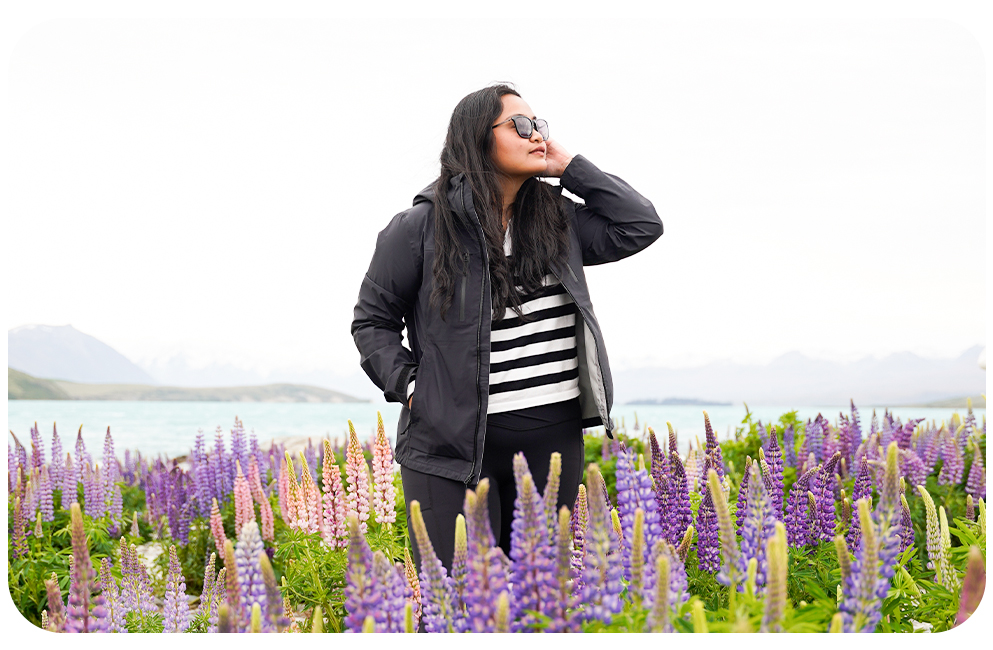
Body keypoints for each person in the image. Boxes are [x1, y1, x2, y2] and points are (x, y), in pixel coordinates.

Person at [351, 83, 663, 571]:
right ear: (478, 135)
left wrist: (571, 168)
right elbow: (373, 322)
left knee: (538, 597)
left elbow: (640, 224)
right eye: (520, 125)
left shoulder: (558, 219)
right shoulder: (419, 227)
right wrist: (412, 389)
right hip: (449, 445)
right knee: (454, 595)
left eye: (539, 124)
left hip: (551, 438)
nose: (536, 134)